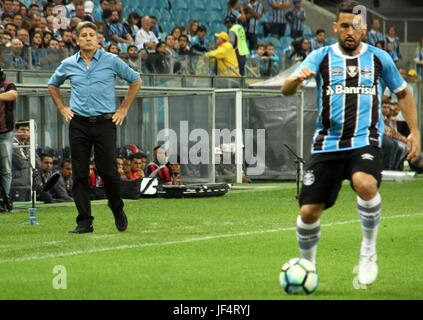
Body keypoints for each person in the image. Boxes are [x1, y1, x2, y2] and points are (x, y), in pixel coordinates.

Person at [281, 1, 421, 286]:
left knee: (365, 184)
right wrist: (297, 80)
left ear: (363, 28)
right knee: (308, 212)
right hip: (327, 144)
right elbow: (286, 89)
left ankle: (368, 250)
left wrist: (415, 132)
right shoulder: (320, 57)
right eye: (344, 26)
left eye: (355, 26)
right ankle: (309, 265)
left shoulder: (380, 58)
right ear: (335, 27)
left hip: (365, 140)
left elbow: (403, 94)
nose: (349, 31)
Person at [48, 21, 142, 234]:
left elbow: (135, 80)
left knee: (108, 171)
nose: (88, 37)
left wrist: (123, 109)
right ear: (77, 40)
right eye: (84, 35)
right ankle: (84, 221)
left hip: (105, 123)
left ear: (98, 39)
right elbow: (52, 85)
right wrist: (62, 107)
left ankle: (117, 208)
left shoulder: (111, 60)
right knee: (79, 173)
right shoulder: (68, 63)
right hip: (78, 123)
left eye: (92, 34)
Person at [0, 68, 18, 212]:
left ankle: (4, 199)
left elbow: (13, 95)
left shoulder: (8, 84)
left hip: (5, 132)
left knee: (5, 167)